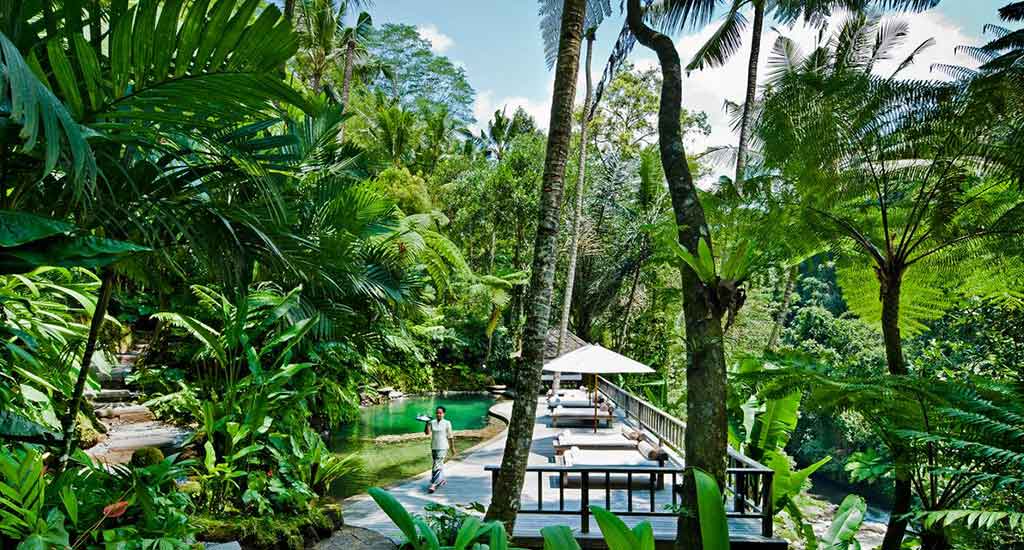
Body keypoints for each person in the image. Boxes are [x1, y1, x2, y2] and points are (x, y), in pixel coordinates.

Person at [424, 405, 455, 493]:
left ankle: (433, 484)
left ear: (444, 414)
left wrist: (452, 448)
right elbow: (427, 433)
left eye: (440, 413)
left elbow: (450, 436)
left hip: (443, 447)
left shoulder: (447, 423)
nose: (438, 414)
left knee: (436, 465)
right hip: (434, 446)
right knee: (438, 464)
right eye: (437, 413)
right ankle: (441, 480)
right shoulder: (432, 422)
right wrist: (427, 423)